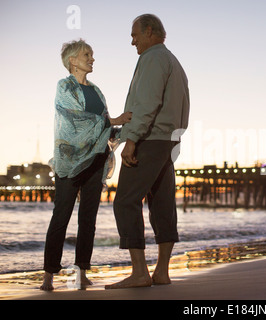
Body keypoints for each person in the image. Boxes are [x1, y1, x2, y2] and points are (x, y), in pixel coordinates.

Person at [40, 39, 132, 291]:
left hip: (96, 161)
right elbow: (75, 120)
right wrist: (113, 119)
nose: (92, 59)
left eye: (92, 55)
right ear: (72, 61)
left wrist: (125, 128)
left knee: (88, 218)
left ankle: (81, 270)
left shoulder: (97, 90)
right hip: (69, 162)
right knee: (61, 216)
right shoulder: (64, 86)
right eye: (86, 55)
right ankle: (49, 273)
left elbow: (103, 129)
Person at [106, 14, 189, 289]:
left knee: (126, 201)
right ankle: (162, 272)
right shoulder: (174, 62)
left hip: (150, 138)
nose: (133, 42)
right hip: (167, 141)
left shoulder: (152, 59)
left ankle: (140, 272)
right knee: (163, 204)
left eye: (135, 35)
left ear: (150, 32)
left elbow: (147, 103)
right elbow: (183, 108)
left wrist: (132, 140)